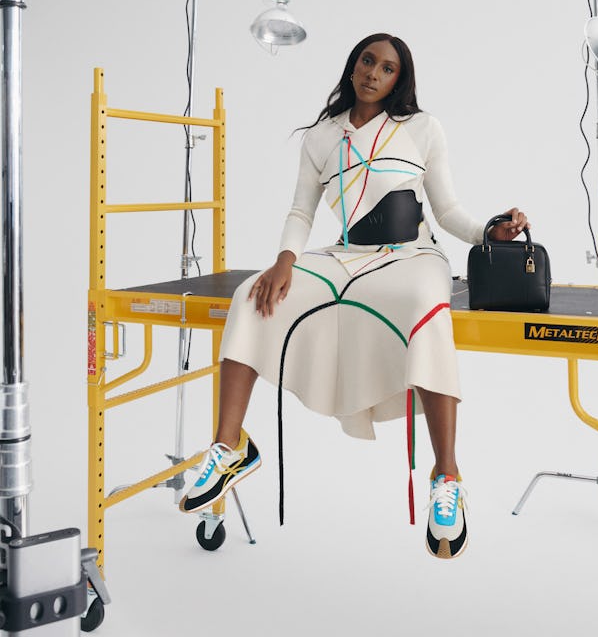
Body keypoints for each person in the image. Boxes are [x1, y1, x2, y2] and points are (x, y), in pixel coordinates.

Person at [179, 33, 528, 559]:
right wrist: (284, 261)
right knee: (252, 295)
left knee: (425, 311)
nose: (373, 73)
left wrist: (488, 233)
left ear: (398, 79)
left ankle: (447, 476)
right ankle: (230, 448)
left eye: (387, 68)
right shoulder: (321, 137)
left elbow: (448, 210)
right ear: (353, 65)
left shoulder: (422, 129)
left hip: (413, 255)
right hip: (345, 256)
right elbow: (301, 211)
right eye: (368, 61)